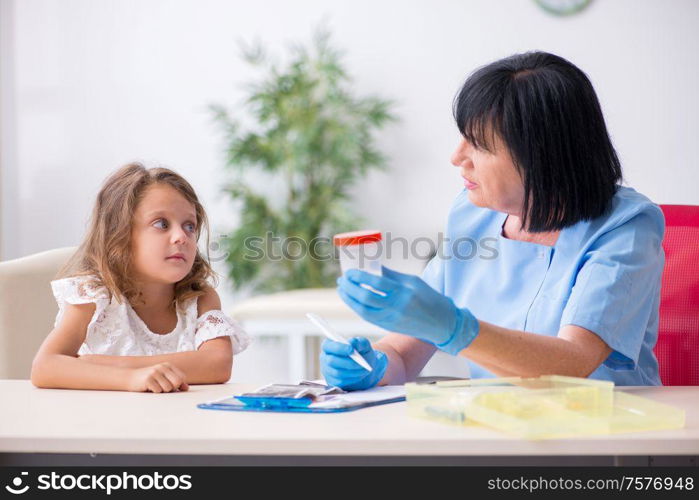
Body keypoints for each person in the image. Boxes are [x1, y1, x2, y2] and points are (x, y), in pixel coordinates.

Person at [321, 51, 665, 389]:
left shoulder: (625, 229)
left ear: (541, 155)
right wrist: (373, 364)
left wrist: (454, 328)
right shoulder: (472, 217)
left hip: (606, 433)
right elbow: (404, 353)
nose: (457, 158)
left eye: (479, 145)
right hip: (500, 433)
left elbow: (573, 363)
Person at [31, 163, 250, 392]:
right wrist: (130, 379)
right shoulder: (94, 295)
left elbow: (217, 365)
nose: (181, 237)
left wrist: (111, 365)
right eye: (161, 224)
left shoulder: (199, 298)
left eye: (189, 226)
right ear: (120, 235)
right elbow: (44, 367)